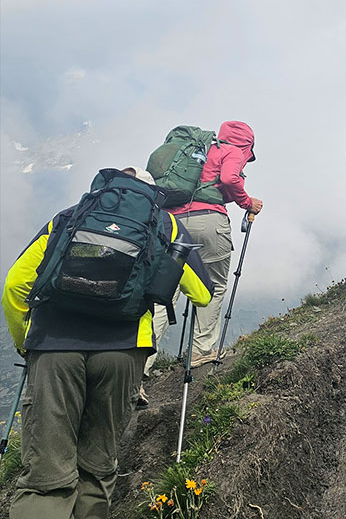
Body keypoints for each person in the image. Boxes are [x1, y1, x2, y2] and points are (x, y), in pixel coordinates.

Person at [1, 166, 213, 518]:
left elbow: (14, 286)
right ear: (150, 194)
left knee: (46, 477)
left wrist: (26, 341)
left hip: (54, 349)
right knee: (96, 468)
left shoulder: (69, 218)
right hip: (123, 350)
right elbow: (203, 293)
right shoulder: (164, 224)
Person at [144, 121, 262, 375]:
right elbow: (230, 180)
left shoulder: (198, 152)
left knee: (166, 291)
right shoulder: (230, 151)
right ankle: (202, 350)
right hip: (209, 222)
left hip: (172, 223)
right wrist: (247, 203)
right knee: (213, 285)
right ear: (247, 144)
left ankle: (140, 361)